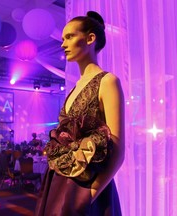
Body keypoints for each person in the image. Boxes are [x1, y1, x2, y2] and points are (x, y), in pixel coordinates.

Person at [35, 11, 125, 216]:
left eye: (70, 36)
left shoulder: (108, 81)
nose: (63, 44)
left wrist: (90, 195)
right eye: (63, 38)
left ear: (90, 38)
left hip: (88, 187)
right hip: (58, 182)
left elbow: (118, 152)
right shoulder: (75, 87)